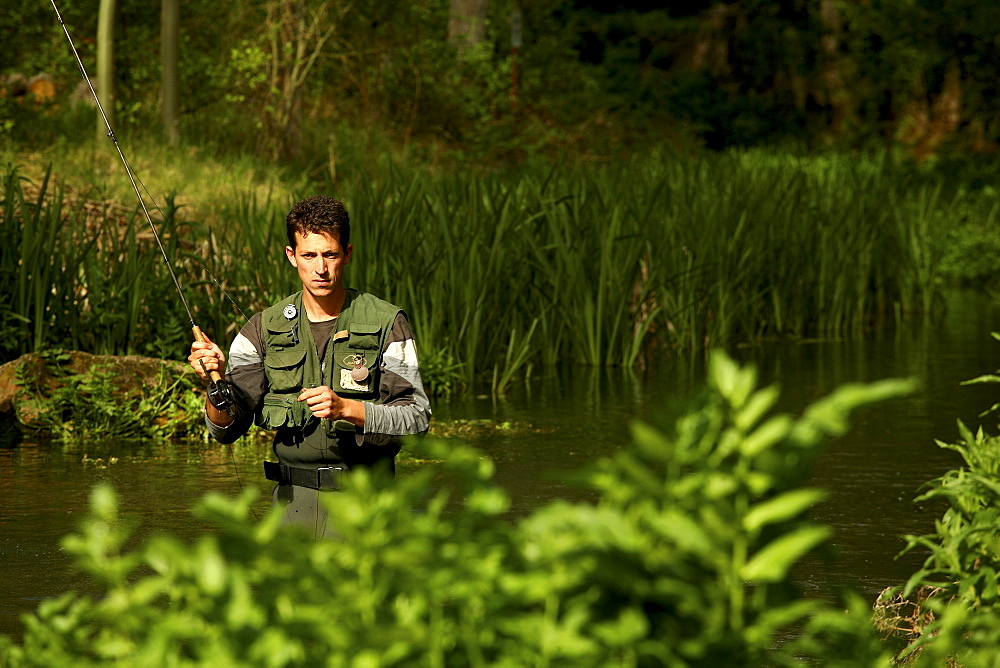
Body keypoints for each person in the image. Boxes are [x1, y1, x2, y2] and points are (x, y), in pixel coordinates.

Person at [188, 195, 431, 536]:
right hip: (290, 512)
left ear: (347, 253)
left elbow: (417, 418)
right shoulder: (260, 329)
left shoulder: (387, 322)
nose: (321, 268)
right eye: (309, 255)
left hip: (367, 510)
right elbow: (225, 431)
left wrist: (349, 409)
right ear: (292, 256)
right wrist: (214, 389)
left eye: (330, 254)